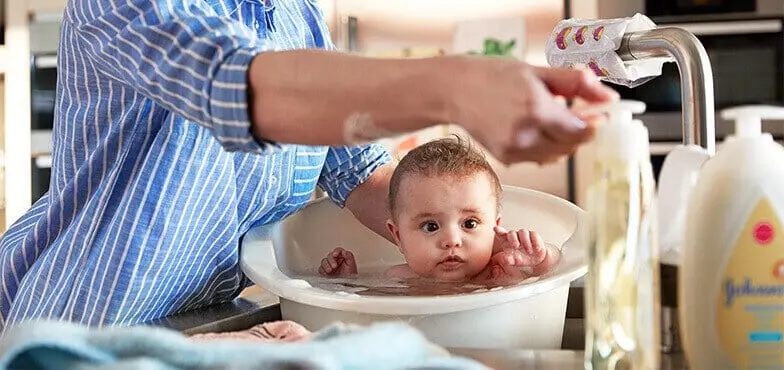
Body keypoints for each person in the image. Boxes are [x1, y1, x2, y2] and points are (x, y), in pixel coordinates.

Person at [0, 0, 618, 331]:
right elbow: (252, 91)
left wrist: (486, 259)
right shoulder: (127, 3)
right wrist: (455, 84)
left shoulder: (295, 13)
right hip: (83, 332)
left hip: (210, 324)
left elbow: (366, 176)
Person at [318, 137, 560, 283]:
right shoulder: (398, 278)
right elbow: (367, 318)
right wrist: (344, 283)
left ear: (495, 227)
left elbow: (553, 278)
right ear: (398, 236)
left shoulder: (501, 273)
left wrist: (541, 258)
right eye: (431, 226)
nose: (451, 241)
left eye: (470, 224)